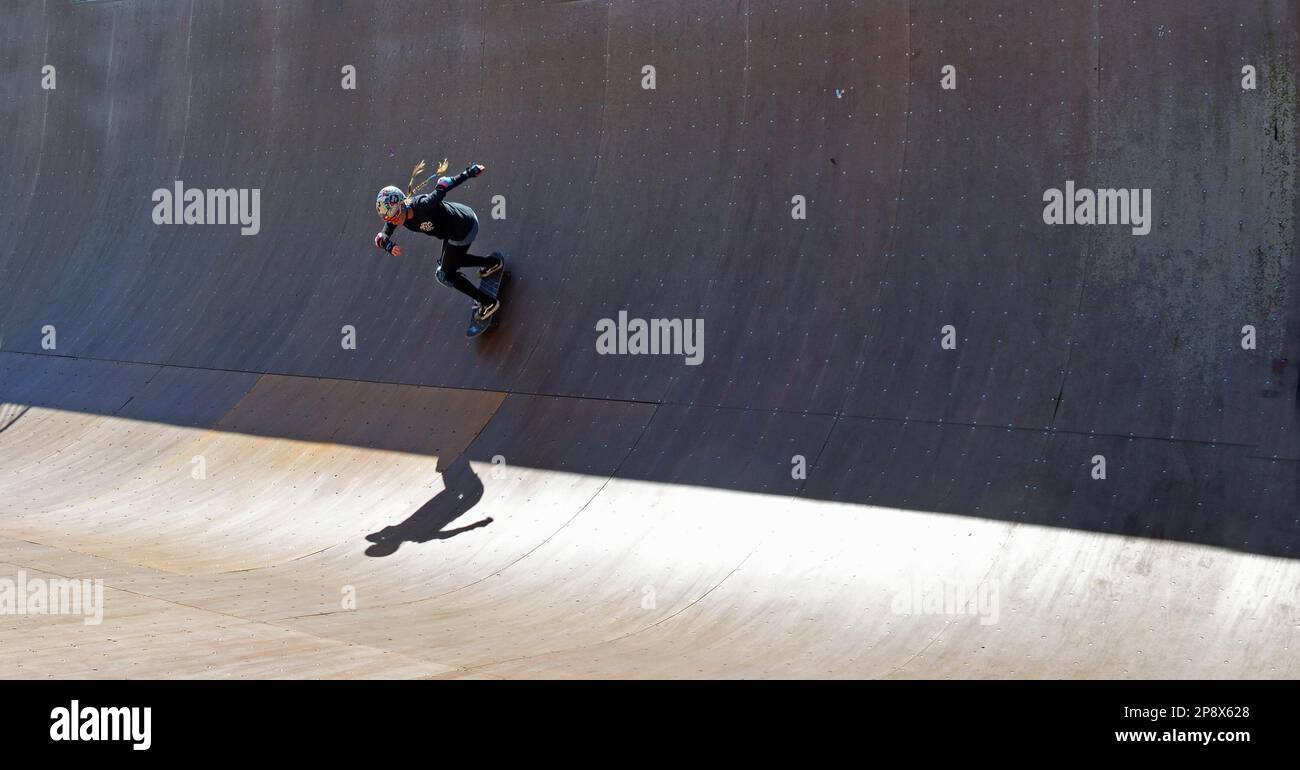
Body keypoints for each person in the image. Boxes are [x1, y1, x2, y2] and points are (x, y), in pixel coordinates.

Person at [374, 162, 504, 321]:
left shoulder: (423, 205)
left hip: (463, 229)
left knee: (444, 275)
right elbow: (383, 235)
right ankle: (492, 263)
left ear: (402, 203)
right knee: (448, 261)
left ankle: (488, 303)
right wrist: (386, 243)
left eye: (395, 214)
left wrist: (469, 172)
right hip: (457, 226)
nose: (396, 219)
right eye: (391, 217)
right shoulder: (397, 215)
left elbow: (444, 184)